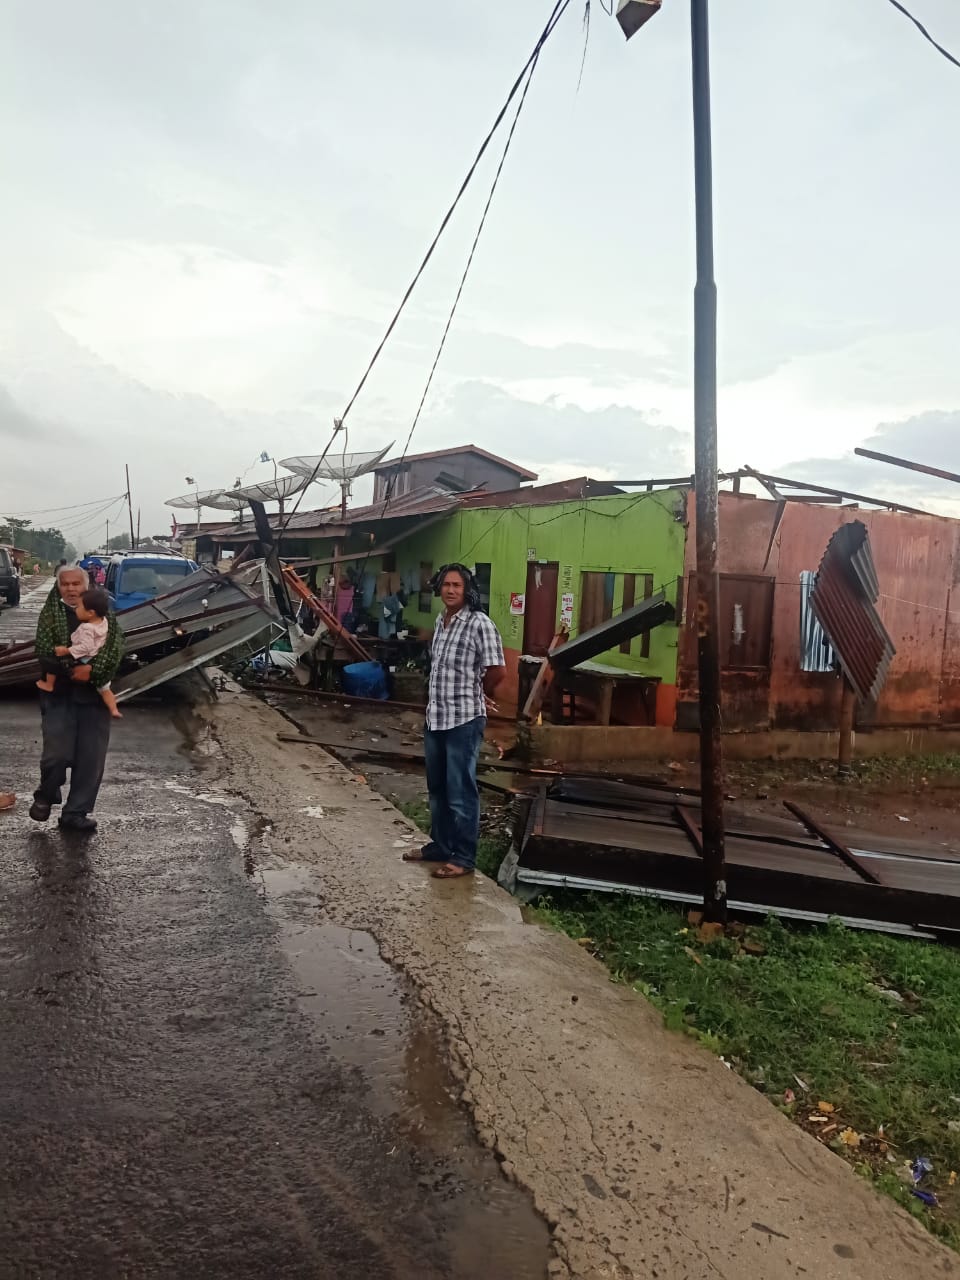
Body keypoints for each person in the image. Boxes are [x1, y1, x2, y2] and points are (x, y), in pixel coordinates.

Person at [403, 563, 505, 879]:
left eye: (457, 586)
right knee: (438, 789)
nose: (450, 590)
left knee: (461, 792)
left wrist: (480, 694)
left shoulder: (480, 624)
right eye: (446, 584)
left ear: (467, 590)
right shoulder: (442, 620)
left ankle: (463, 858)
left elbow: (498, 670)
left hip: (464, 720)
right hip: (437, 718)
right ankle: (440, 846)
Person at [30, 566, 125, 832]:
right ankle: (48, 792)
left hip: (93, 697)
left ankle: (75, 813)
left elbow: (117, 648)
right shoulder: (50, 614)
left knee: (90, 759)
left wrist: (93, 672)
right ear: (58, 586)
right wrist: (74, 670)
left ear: (86, 585)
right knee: (55, 756)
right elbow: (45, 652)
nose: (71, 589)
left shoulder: (105, 613)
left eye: (76, 583)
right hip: (58, 695)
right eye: (65, 584)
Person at [36, 586, 122, 719]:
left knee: (54, 663)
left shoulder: (87, 627)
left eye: (79, 607)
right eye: (65, 584)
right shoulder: (105, 621)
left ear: (90, 613)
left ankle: (49, 684)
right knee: (105, 690)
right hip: (97, 656)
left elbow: (85, 647)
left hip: (85, 658)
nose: (76, 608)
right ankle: (114, 709)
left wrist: (67, 650)